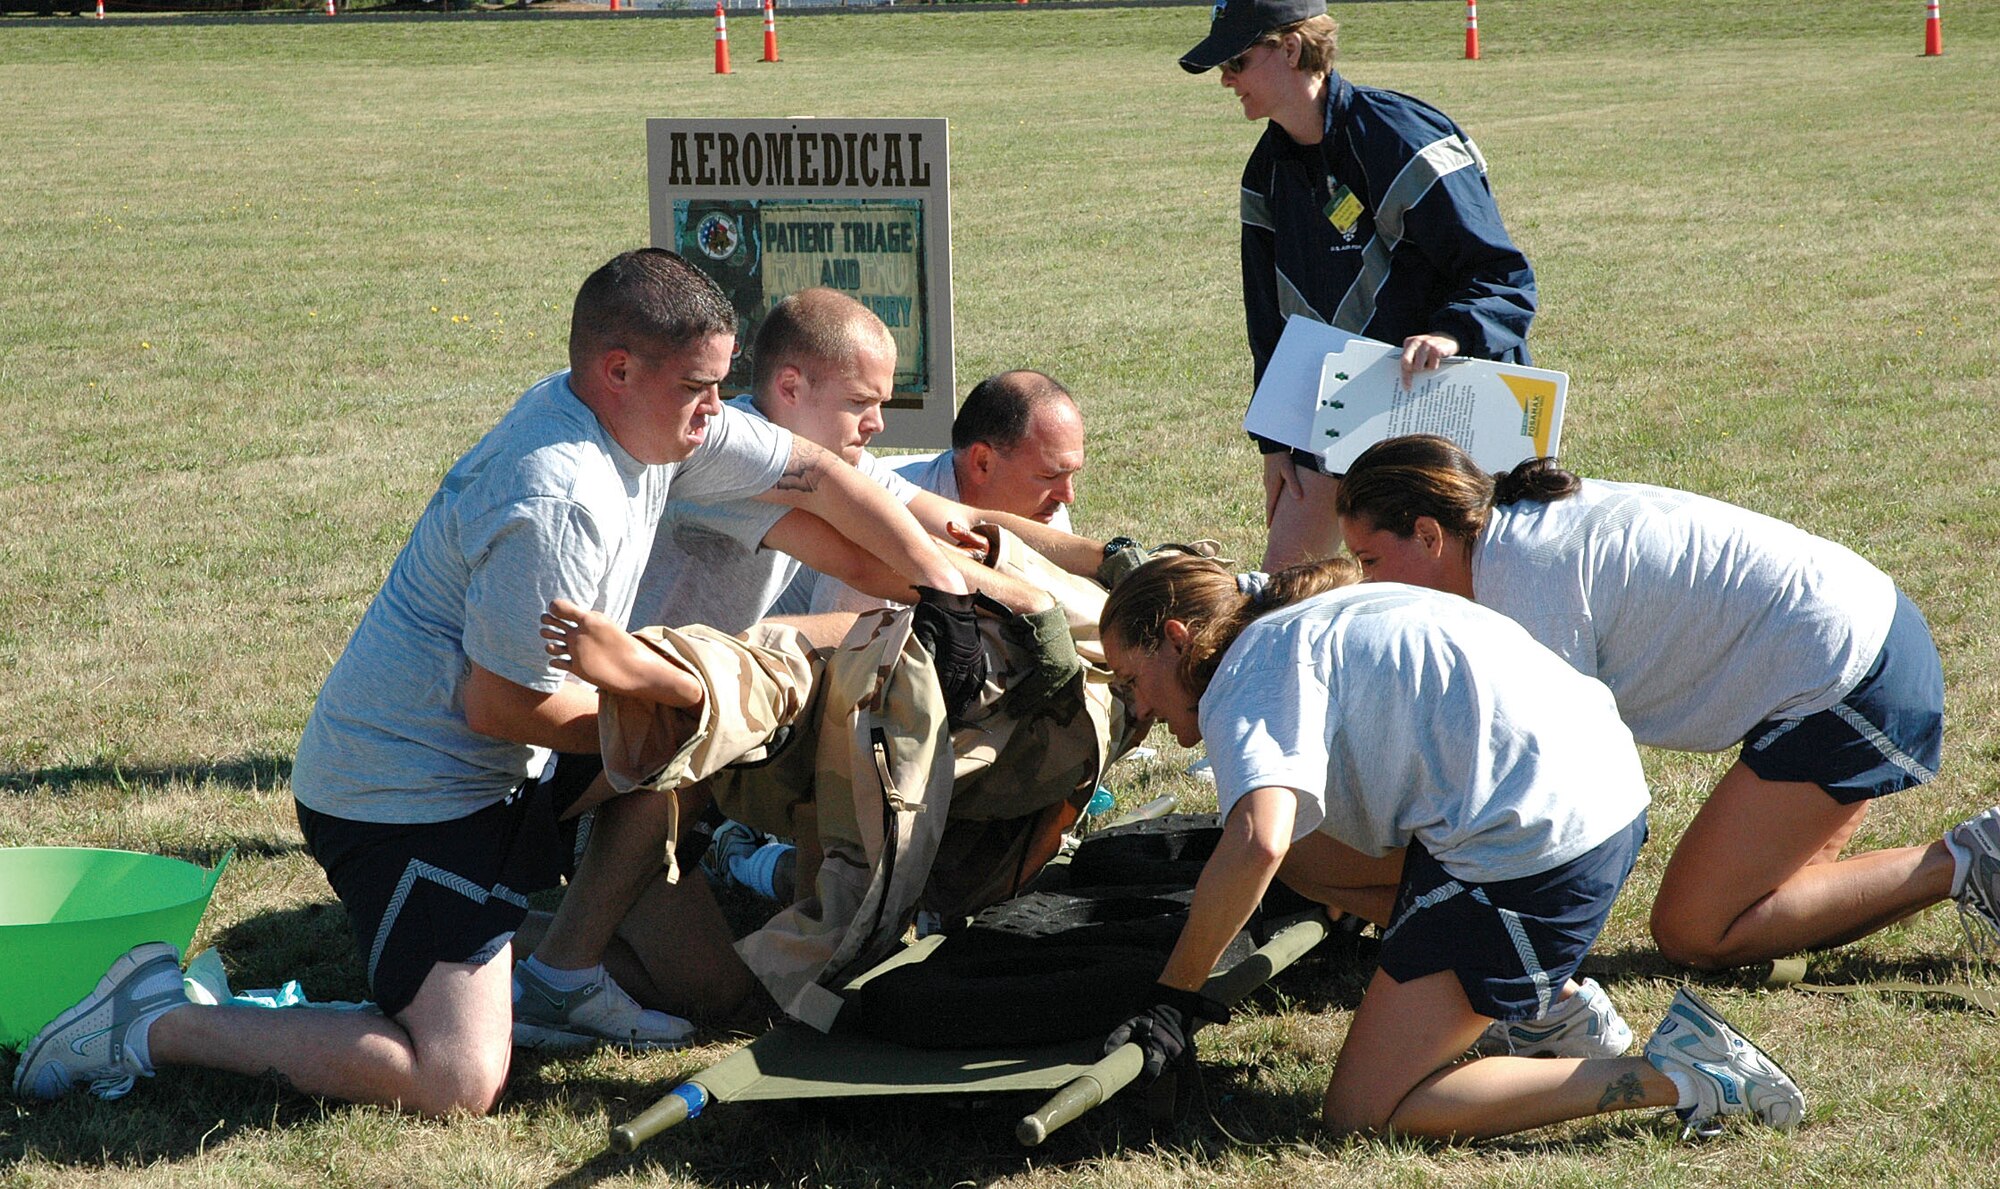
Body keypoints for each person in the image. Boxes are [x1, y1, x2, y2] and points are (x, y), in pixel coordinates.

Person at [12, 249, 973, 1116]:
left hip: (505, 773)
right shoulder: (556, 495)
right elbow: (502, 706)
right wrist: (678, 698)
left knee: (697, 857)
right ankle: (151, 1018)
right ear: (617, 370)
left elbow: (813, 471)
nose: (719, 413)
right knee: (458, 1078)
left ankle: (557, 972)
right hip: (407, 802)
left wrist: (945, 586)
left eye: (722, 386)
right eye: (701, 388)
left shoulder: (657, 422)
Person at [1097, 555, 1803, 1140]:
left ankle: (1684, 1072)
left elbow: (1258, 839)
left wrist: (1174, 998)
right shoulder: (1294, 622)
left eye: (1132, 679)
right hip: (1593, 797)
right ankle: (1544, 1009)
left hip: (1537, 844)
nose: (1140, 708)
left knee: (1362, 1111)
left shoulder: (1239, 675)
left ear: (1178, 637)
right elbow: (1292, 846)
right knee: (1310, 856)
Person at [1334, 433, 2000, 971]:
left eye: (1368, 560)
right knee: (1763, 911)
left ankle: (1971, 857)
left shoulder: (1522, 579)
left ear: (1429, 535)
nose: (1363, 585)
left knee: (1694, 929)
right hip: (1861, 638)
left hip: (1853, 677)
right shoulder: (1509, 533)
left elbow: (1557, 783)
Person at [1179, 0, 1536, 571]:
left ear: (1291, 49)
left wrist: (1449, 333)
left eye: (1239, 61)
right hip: (1346, 412)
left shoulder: (1400, 139)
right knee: (1284, 589)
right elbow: (1268, 320)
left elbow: (1503, 275)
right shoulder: (1266, 171)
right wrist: (1275, 442)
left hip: (1451, 409)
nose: (1226, 79)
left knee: (1467, 592)